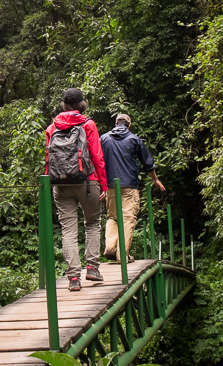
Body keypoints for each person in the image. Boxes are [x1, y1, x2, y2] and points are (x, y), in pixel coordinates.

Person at [45, 88, 108, 291]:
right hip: (87, 182)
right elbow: (97, 157)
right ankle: (92, 268)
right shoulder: (88, 124)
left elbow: (49, 159)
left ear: (64, 105)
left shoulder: (51, 128)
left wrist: (50, 183)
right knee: (92, 223)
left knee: (68, 230)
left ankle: (73, 278)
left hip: (60, 184)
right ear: (81, 104)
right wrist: (104, 186)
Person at [100, 113, 165, 262]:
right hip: (129, 186)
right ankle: (122, 254)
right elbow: (148, 162)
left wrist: (100, 184)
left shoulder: (104, 139)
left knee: (112, 217)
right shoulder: (134, 139)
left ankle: (110, 247)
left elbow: (97, 160)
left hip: (110, 185)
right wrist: (155, 179)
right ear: (129, 125)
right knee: (128, 218)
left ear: (116, 124)